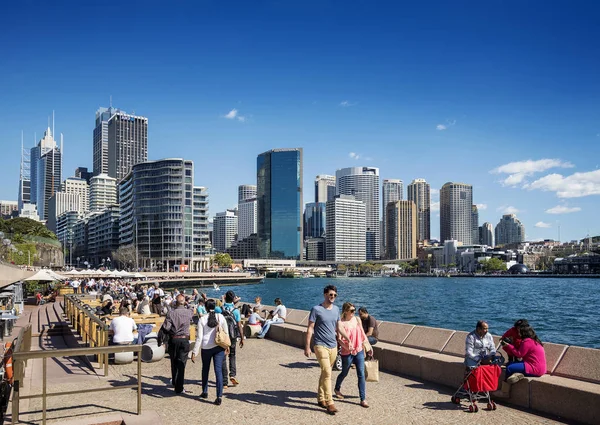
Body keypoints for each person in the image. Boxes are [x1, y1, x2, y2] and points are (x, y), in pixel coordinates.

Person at [305, 285, 351, 415]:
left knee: (325, 373)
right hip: (320, 345)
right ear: (325, 295)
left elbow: (339, 327)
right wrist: (307, 346)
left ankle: (320, 398)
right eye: (331, 295)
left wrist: (348, 338)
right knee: (327, 373)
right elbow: (310, 329)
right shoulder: (316, 309)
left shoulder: (336, 309)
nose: (333, 297)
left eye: (335, 295)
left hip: (333, 346)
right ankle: (330, 402)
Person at [191, 299, 229, 406]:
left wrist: (195, 352)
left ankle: (205, 391)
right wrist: (227, 346)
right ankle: (219, 396)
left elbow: (199, 337)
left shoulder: (202, 319)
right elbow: (225, 332)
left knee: (205, 369)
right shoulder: (220, 317)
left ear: (206, 308)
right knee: (218, 371)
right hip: (219, 347)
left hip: (206, 347)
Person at [334, 302, 371, 408]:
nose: (354, 312)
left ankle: (363, 399)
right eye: (351, 311)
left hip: (359, 350)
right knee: (344, 372)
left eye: (354, 310)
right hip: (347, 353)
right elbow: (339, 340)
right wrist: (346, 347)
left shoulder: (357, 319)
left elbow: (363, 335)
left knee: (361, 374)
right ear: (345, 311)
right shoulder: (341, 323)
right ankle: (337, 388)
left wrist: (368, 347)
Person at [495, 324, 547, 398]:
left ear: (524, 333)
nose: (518, 333)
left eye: (519, 332)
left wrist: (508, 346)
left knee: (509, 367)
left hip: (534, 368)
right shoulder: (535, 341)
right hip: (541, 368)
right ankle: (519, 373)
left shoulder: (527, 341)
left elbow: (519, 354)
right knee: (511, 363)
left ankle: (504, 392)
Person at [162, 294, 194, 394]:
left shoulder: (171, 313)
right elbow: (192, 309)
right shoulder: (189, 312)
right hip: (184, 339)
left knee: (174, 362)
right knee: (182, 363)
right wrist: (187, 304)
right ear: (184, 302)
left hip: (174, 339)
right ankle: (179, 386)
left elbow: (166, 327)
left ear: (175, 302)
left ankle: (175, 382)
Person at [218, 290, 244, 386]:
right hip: (233, 336)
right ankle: (232, 375)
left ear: (225, 298)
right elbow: (239, 326)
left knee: (223, 357)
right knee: (232, 355)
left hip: (223, 336)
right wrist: (242, 338)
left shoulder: (220, 309)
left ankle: (224, 382)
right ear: (233, 299)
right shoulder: (236, 311)